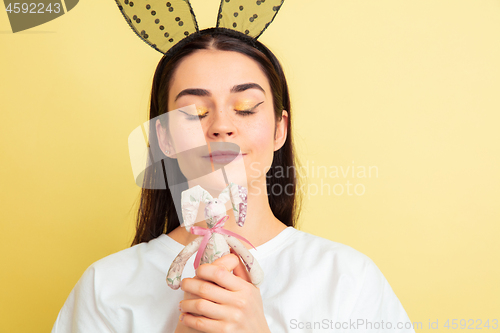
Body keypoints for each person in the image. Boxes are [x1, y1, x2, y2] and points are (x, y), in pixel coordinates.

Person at [51, 28, 415, 333]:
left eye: (245, 108)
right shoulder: (107, 286)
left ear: (279, 129)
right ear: (165, 139)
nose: (222, 126)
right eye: (195, 112)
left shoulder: (348, 279)